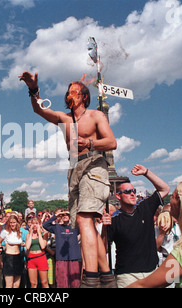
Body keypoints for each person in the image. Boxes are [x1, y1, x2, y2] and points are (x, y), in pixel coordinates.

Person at [19, 71, 117, 288]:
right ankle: (108, 278)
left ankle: (90, 279)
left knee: (84, 220)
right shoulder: (65, 119)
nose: (68, 94)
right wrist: (33, 89)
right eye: (68, 91)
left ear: (83, 96)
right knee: (84, 225)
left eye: (73, 91)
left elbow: (111, 142)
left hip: (94, 166)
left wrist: (90, 144)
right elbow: (39, 109)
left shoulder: (95, 116)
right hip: (74, 169)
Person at [103, 164, 170, 288]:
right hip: (128, 275)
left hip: (152, 271)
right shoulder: (114, 220)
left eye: (133, 191)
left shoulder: (145, 208)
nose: (133, 194)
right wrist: (103, 228)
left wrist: (146, 172)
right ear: (118, 196)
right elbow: (104, 248)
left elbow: (165, 189)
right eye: (128, 192)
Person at [43, 209, 82, 288]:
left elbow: (83, 222)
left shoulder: (75, 227)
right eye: (63, 215)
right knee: (62, 280)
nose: (65, 217)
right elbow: (45, 225)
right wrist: (56, 215)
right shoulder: (57, 227)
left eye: (67, 215)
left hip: (73, 257)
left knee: (75, 281)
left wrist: (72, 214)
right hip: (61, 258)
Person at [0, 214, 25, 288]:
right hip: (9, 258)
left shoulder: (20, 232)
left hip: (18, 257)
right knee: (9, 284)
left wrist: (22, 244)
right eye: (11, 222)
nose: (12, 224)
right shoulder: (5, 232)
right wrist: (0, 248)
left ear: (17, 223)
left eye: (14, 222)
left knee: (17, 285)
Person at [26, 217, 49, 288]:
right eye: (33, 224)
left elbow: (43, 246)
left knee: (44, 282)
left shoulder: (44, 234)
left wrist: (39, 233)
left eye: (37, 223)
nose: (35, 225)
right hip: (31, 258)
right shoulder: (28, 234)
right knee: (33, 283)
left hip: (41, 257)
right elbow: (27, 246)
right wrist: (31, 233)